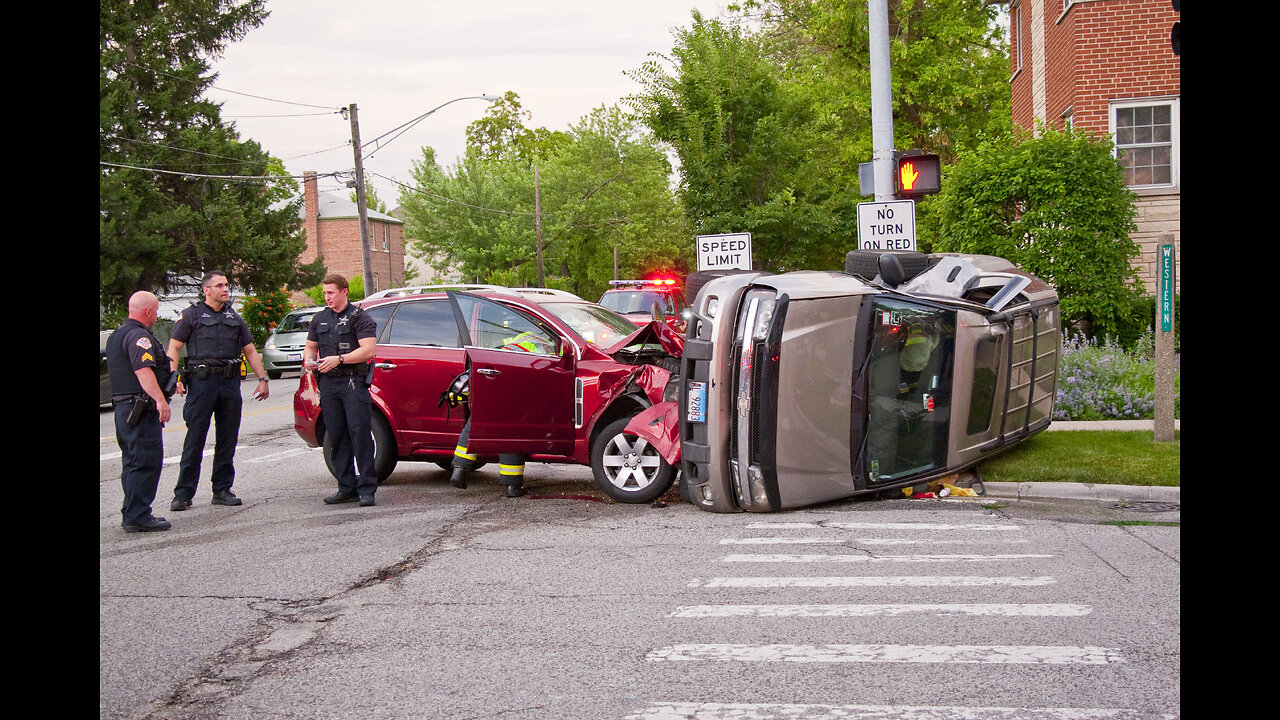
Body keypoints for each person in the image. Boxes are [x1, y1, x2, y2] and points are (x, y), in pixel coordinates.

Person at [165, 271, 270, 511]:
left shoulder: (234, 317)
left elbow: (250, 350)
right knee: (195, 439)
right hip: (202, 383)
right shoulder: (190, 316)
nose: (225, 288)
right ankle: (183, 493)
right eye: (220, 285)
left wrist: (263, 378)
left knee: (227, 439)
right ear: (207, 290)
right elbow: (174, 348)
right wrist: (174, 379)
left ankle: (222, 489)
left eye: (226, 284)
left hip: (229, 384)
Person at [304, 274, 380, 507]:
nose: (327, 297)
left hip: (352, 384)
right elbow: (310, 347)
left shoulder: (360, 318)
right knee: (336, 436)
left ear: (344, 292)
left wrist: (340, 359)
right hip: (329, 385)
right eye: (324, 293)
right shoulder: (320, 318)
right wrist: (308, 360)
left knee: (360, 435)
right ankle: (346, 487)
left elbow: (368, 351)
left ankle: (367, 488)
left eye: (331, 293)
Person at [108, 292, 176, 532]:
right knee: (145, 460)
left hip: (124, 409)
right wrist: (160, 399)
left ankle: (132, 510)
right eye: (156, 311)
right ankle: (138, 515)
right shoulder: (139, 336)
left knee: (132, 461)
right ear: (148, 311)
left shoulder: (117, 335)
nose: (157, 316)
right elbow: (143, 370)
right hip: (140, 409)